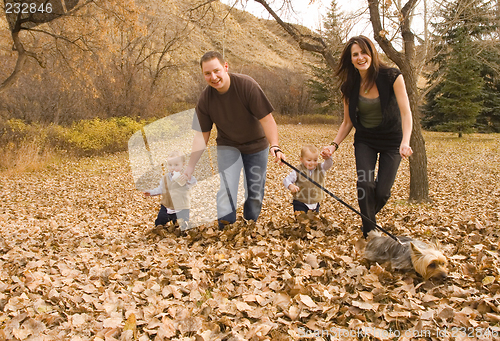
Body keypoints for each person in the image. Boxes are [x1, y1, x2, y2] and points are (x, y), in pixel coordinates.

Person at [321, 35, 413, 238]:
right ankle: (370, 234)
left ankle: (367, 223)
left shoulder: (392, 77)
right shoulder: (349, 87)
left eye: (364, 52)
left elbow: (406, 113)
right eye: (355, 54)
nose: (360, 57)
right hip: (366, 141)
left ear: (372, 53)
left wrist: (405, 142)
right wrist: (333, 145)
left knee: (382, 192)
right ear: (351, 59)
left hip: (392, 141)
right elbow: (347, 122)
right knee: (365, 183)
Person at [184, 51, 285, 229]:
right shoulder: (206, 99)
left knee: (254, 191)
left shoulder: (247, 86)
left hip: (256, 146)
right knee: (227, 189)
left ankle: (249, 225)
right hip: (228, 146)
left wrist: (275, 146)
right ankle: (225, 228)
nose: (213, 77)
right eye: (207, 73)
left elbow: (267, 119)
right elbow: (202, 135)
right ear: (203, 75)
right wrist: (190, 167)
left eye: (216, 70)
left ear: (226, 67)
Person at [144, 150, 197, 230]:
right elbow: (161, 189)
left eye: (176, 165)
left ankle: (180, 227)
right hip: (167, 206)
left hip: (181, 206)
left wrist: (187, 179)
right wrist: (151, 192)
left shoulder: (184, 176)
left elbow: (194, 182)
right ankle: (160, 228)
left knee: (182, 223)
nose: (173, 168)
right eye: (170, 165)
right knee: (160, 220)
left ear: (183, 165)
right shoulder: (165, 178)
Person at [283, 144, 332, 214]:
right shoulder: (298, 170)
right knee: (302, 220)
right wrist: (290, 186)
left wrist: (328, 157)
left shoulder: (320, 168)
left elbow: (328, 164)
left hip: (315, 201)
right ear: (301, 160)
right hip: (300, 201)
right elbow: (286, 180)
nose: (312, 163)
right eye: (309, 160)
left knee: (314, 221)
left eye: (315, 160)